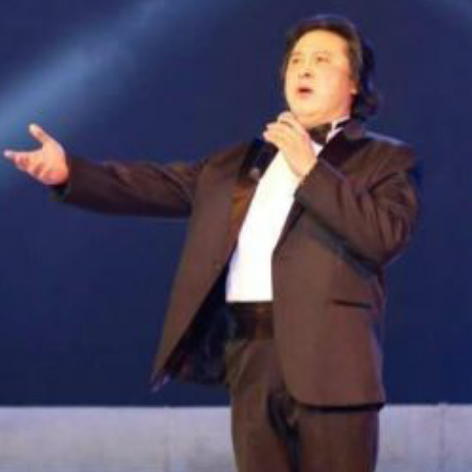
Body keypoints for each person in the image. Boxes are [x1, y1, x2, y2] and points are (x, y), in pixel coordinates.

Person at [4, 14, 420, 472]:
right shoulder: (240, 163)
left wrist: (311, 169)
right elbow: (154, 184)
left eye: (322, 59)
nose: (303, 68)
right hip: (250, 354)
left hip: (333, 364)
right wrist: (71, 173)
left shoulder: (385, 158)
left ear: (355, 82)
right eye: (296, 59)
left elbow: (382, 236)